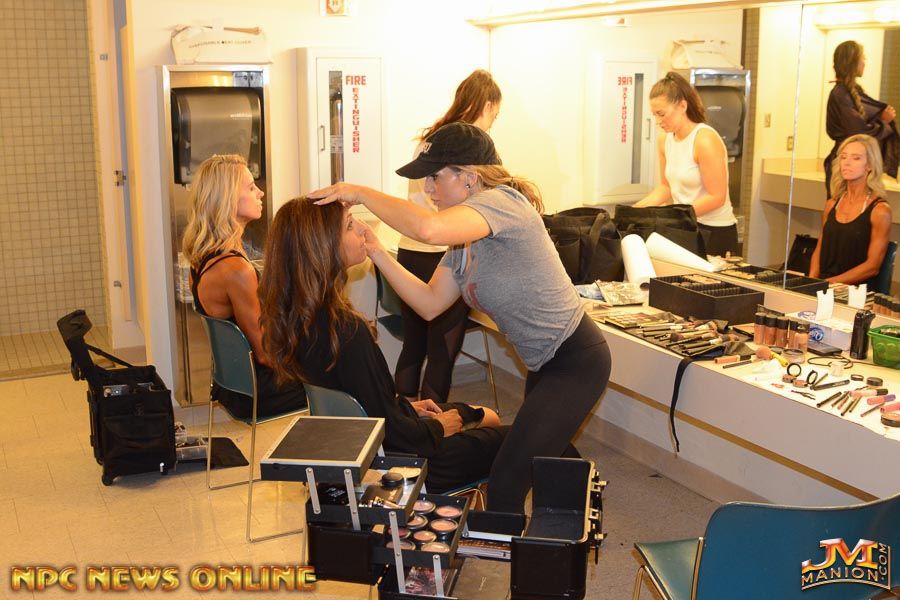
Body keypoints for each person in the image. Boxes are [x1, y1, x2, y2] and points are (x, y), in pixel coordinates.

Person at [309, 122, 612, 514]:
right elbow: (430, 303)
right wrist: (376, 251)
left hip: (576, 361)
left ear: (469, 177)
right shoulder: (464, 240)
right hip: (543, 363)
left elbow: (427, 229)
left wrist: (360, 192)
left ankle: (521, 549)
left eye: (434, 177)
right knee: (540, 458)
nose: (428, 190)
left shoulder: (505, 203)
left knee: (507, 480)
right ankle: (559, 535)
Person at [258, 198, 506, 492]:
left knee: (483, 415)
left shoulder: (298, 319)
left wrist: (407, 408)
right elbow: (389, 431)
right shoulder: (345, 331)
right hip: (404, 461)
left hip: (364, 440)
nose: (362, 229)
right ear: (323, 247)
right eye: (350, 225)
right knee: (514, 437)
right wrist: (439, 426)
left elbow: (367, 405)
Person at [395, 69, 502, 405]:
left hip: (409, 252)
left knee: (414, 342)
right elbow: (456, 216)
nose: (492, 124)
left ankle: (404, 415)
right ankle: (436, 423)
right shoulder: (469, 150)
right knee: (443, 349)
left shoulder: (429, 140)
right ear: (487, 106)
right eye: (495, 115)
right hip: (443, 253)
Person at [181, 154, 306, 419]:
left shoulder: (202, 260)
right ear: (227, 200)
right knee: (342, 371)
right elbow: (266, 355)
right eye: (251, 187)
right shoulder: (236, 270)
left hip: (232, 386)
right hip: (259, 392)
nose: (261, 193)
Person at [633, 71, 739, 256]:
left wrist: (675, 216)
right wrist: (634, 212)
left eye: (661, 114)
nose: (658, 121)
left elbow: (717, 197)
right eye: (654, 115)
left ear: (682, 106)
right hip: (685, 227)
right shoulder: (664, 140)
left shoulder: (704, 140)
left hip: (715, 230)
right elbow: (665, 187)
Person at [809, 134, 892, 286]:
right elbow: (820, 248)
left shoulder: (880, 211)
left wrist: (827, 283)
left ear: (870, 165)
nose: (847, 163)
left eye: (856, 158)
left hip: (855, 291)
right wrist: (811, 281)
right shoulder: (832, 204)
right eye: (843, 157)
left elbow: (872, 267)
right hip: (823, 285)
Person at [824, 40, 898, 198]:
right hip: (844, 165)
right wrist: (884, 121)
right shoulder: (840, 94)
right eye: (862, 58)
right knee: (842, 208)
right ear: (852, 62)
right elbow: (858, 132)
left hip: (854, 166)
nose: (865, 62)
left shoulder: (849, 93)